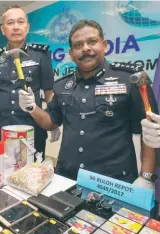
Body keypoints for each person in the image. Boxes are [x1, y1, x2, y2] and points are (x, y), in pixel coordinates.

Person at [19, 20, 158, 190]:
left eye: (92, 42)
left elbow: (149, 133)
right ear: (71, 53)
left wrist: (146, 177)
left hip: (113, 183)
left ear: (104, 45)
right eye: (78, 45)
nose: (85, 48)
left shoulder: (130, 80)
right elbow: (51, 122)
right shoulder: (62, 85)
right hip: (68, 178)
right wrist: (32, 108)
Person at [0, 5, 60, 159]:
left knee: (32, 175)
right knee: (2, 171)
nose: (16, 27)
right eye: (10, 23)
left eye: (20, 22)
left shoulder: (40, 55)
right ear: (3, 29)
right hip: (1, 128)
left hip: (32, 127)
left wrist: (54, 120)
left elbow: (49, 92)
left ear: (27, 27)